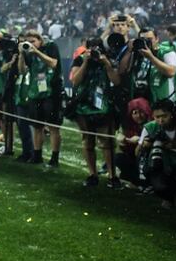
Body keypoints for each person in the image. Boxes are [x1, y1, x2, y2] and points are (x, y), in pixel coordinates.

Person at [70, 37, 122, 187]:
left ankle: (112, 175)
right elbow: (75, 80)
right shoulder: (80, 59)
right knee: (88, 141)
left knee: (107, 142)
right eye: (91, 48)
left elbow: (116, 81)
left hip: (104, 105)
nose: (94, 51)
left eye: (97, 48)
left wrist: (106, 64)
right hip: (83, 106)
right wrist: (86, 62)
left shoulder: (109, 59)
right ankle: (92, 174)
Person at [17, 29, 63, 167]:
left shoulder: (51, 47)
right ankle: (37, 156)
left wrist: (36, 52)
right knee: (37, 126)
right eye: (28, 42)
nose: (30, 44)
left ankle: (54, 158)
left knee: (53, 127)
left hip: (52, 92)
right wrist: (21, 55)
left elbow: (54, 63)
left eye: (33, 41)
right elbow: (22, 70)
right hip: (35, 92)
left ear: (40, 40)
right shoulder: (27, 53)